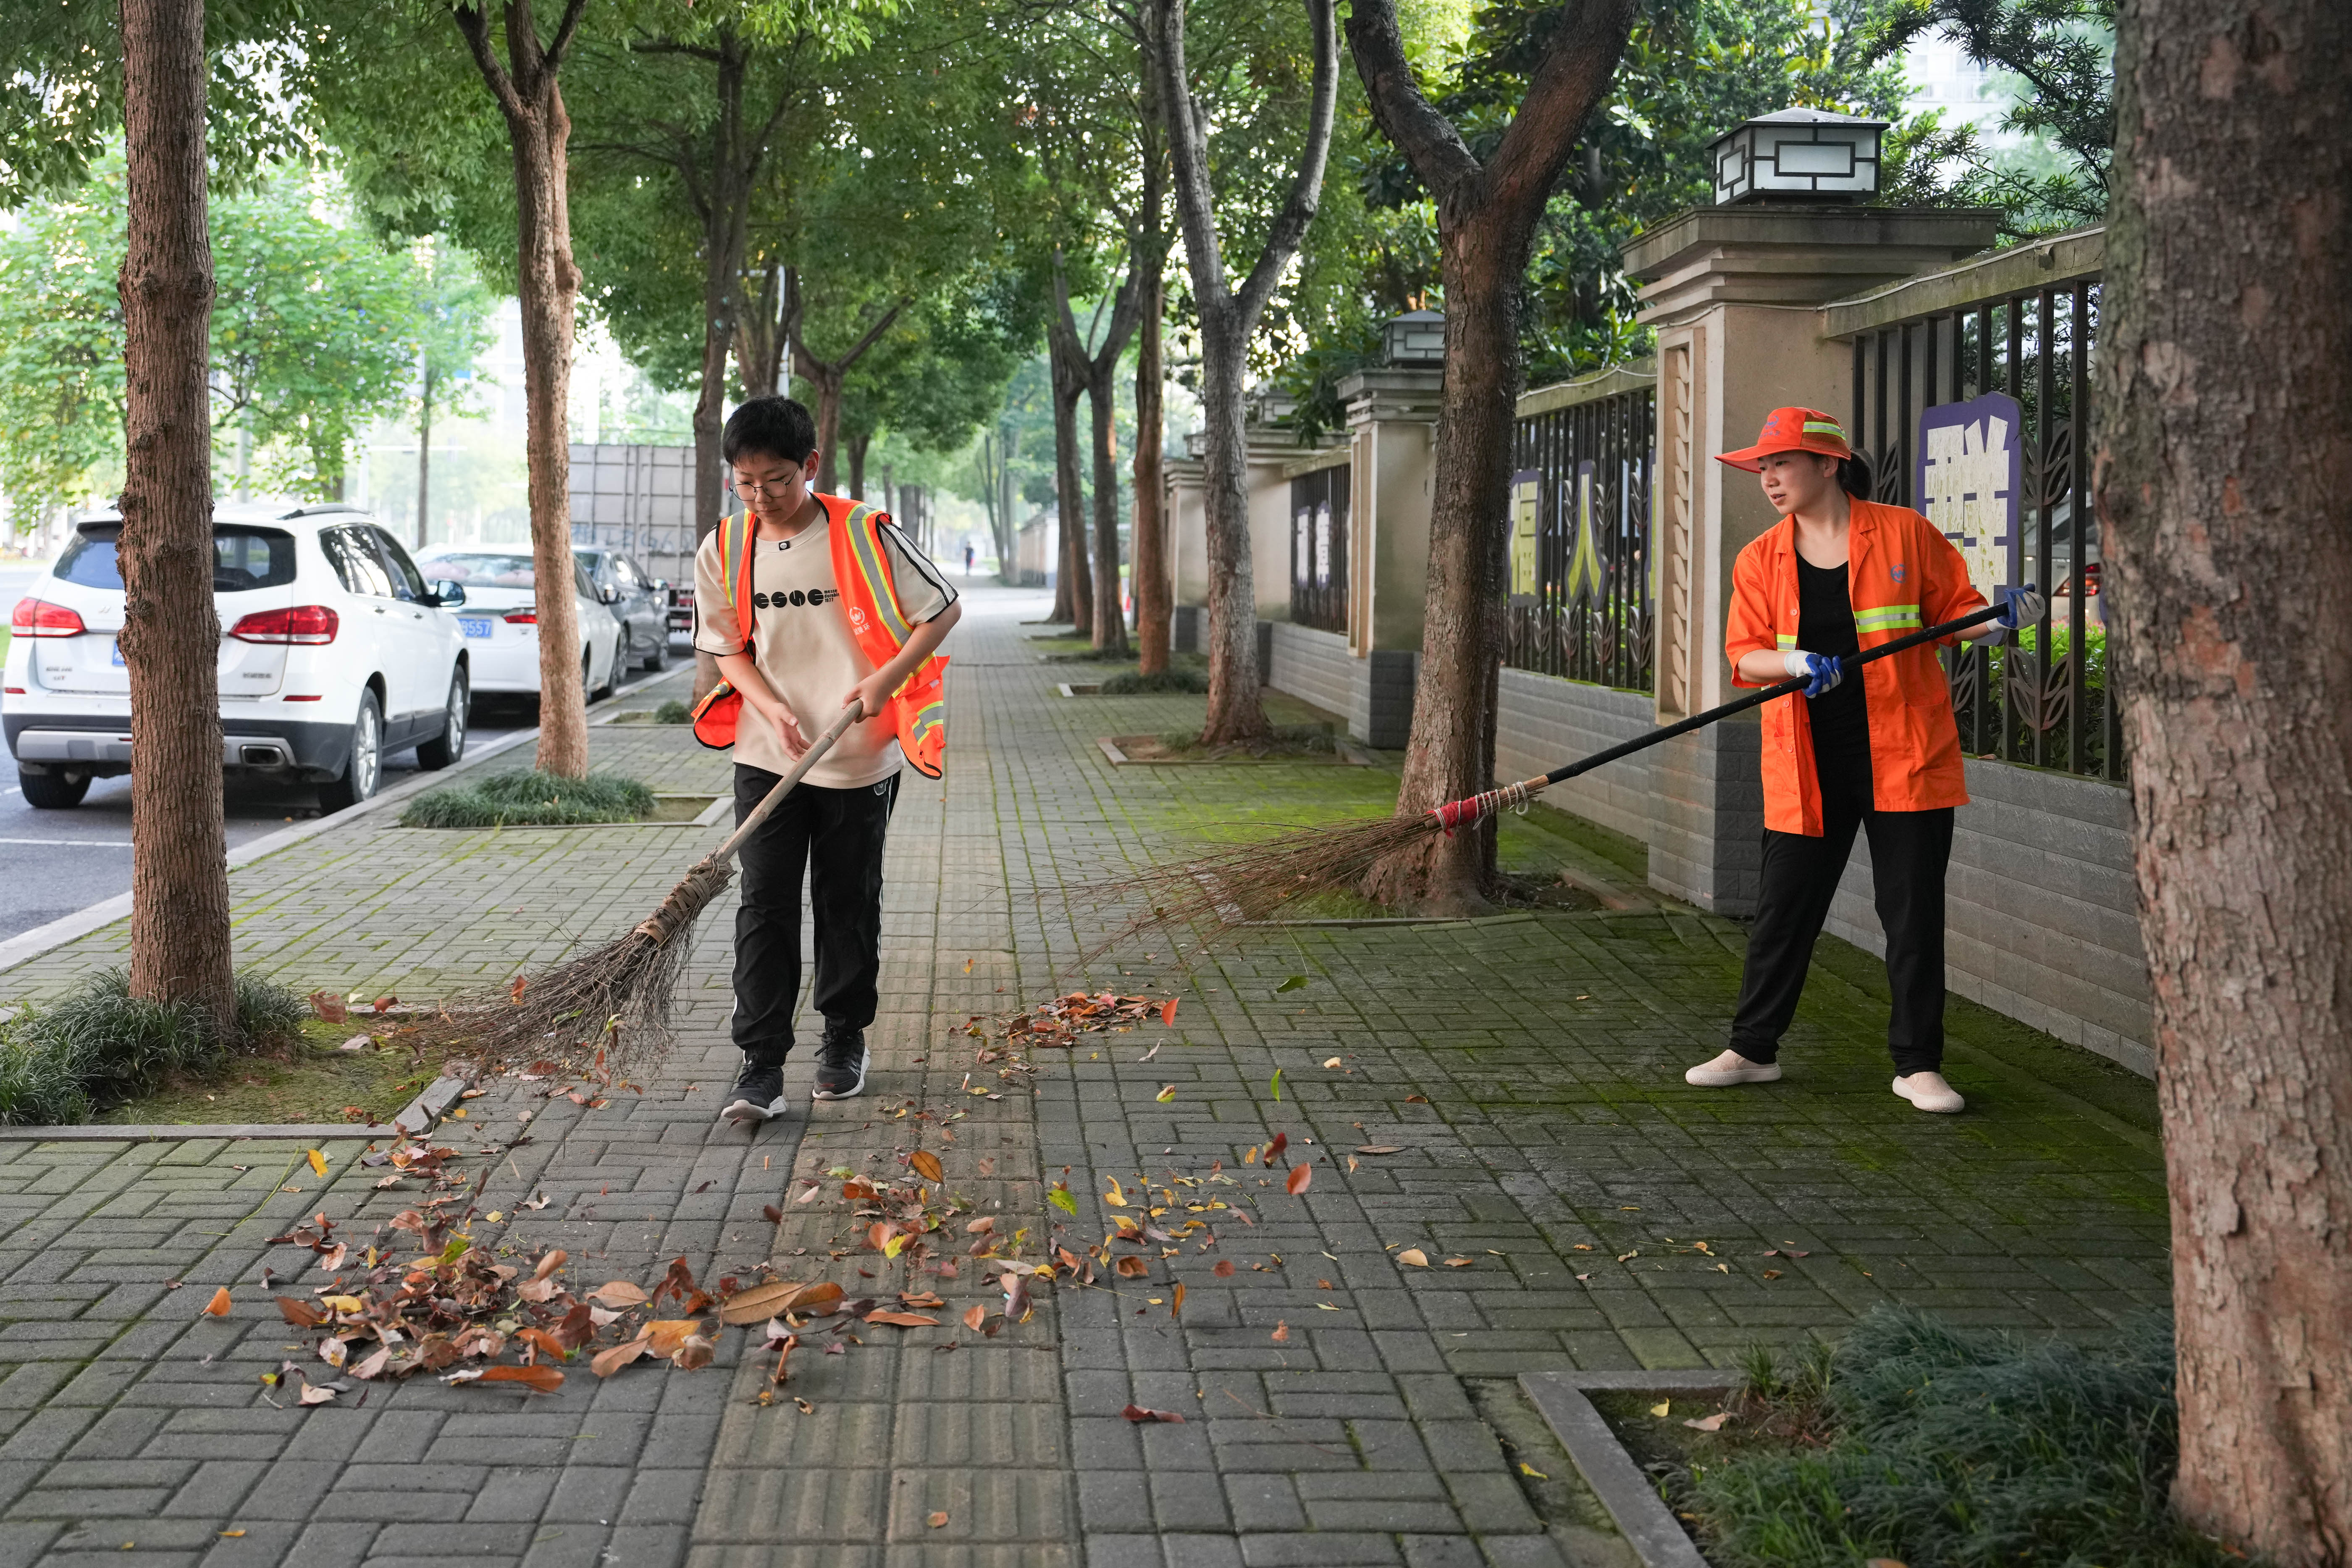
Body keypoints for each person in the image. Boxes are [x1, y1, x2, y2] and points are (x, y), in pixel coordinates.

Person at [1683, 407, 2041, 1114]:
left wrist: (2003, 620)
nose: (1769, 477)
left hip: (1903, 754)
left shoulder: (1905, 533)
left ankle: (1918, 1064)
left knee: (1911, 910)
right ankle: (1753, 1048)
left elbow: (1957, 614)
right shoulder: (1761, 557)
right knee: (1784, 908)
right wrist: (1790, 660)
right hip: (1805, 760)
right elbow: (1743, 655)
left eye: (1781, 462)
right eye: (1762, 466)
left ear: (1829, 464)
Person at [693, 397, 962, 1126]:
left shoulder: (865, 533)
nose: (760, 497)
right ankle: (762, 1063)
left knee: (847, 899)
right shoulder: (725, 545)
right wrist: (768, 704)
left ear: (810, 466)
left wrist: (887, 679)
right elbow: (724, 647)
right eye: (744, 482)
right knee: (765, 903)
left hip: (857, 753)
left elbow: (941, 607)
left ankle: (844, 1037)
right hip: (767, 752)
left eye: (776, 480)